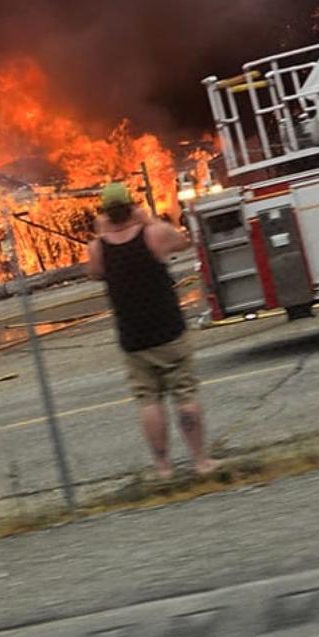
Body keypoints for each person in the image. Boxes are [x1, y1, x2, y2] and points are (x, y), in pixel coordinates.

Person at [86, 182, 218, 479]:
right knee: (184, 394)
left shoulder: (98, 248)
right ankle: (200, 461)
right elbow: (183, 241)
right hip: (169, 330)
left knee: (149, 400)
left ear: (104, 213)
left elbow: (94, 273)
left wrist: (101, 233)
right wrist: (146, 219)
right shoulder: (154, 234)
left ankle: (163, 468)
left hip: (133, 337)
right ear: (132, 206)